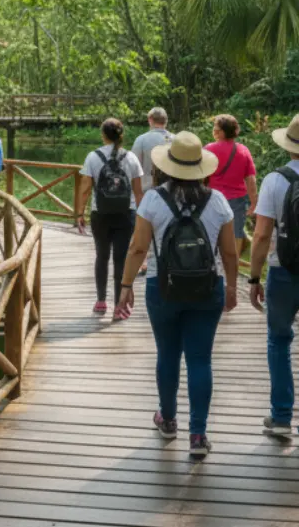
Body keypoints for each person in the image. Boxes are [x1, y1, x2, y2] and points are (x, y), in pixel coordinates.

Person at [117, 131, 238, 460]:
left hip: (162, 288)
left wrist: (126, 286)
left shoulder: (153, 200)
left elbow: (138, 247)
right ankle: (198, 435)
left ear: (168, 167)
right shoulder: (218, 202)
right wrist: (231, 286)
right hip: (207, 288)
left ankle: (167, 419)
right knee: (200, 359)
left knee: (167, 355)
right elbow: (229, 252)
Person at [248, 114, 299, 438]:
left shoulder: (275, 180)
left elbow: (262, 235)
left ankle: (281, 418)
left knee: (279, 341)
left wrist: (253, 278)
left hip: (283, 271)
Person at [75, 118, 144, 318]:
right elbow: (138, 192)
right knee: (121, 259)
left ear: (103, 135)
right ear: (121, 134)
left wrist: (80, 213)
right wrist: (141, 217)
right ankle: (118, 306)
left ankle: (100, 301)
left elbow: (86, 188)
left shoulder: (92, 157)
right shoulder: (131, 158)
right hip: (127, 214)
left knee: (102, 256)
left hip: (100, 214)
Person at [205, 114, 258, 260]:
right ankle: (232, 275)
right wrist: (254, 202)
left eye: (216, 127)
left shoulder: (209, 149)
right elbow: (251, 179)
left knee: (212, 232)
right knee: (236, 234)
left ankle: (213, 265)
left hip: (212, 199)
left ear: (221, 131)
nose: (213, 130)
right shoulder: (243, 151)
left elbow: (201, 175)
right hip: (237, 201)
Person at [131, 106, 172, 194]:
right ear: (166, 121)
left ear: (150, 120)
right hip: (171, 191)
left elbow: (133, 168)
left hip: (146, 191)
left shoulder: (141, 140)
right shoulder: (176, 140)